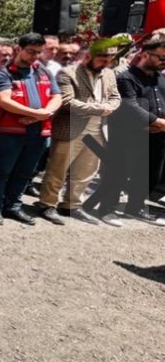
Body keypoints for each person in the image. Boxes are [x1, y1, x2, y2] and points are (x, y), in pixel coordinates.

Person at [37, 40, 120, 225]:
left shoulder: (109, 74)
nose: (105, 64)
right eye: (102, 59)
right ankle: (47, 204)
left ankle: (71, 205)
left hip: (98, 130)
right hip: (71, 128)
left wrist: (112, 106)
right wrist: (99, 109)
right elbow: (67, 101)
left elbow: (115, 96)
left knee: (86, 171)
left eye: (109, 60)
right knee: (58, 169)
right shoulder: (68, 73)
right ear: (88, 56)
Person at [84, 35, 165, 226]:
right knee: (118, 175)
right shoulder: (125, 78)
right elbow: (129, 105)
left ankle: (135, 208)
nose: (164, 61)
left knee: (149, 174)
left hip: (157, 135)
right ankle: (106, 209)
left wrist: (159, 125)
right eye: (161, 57)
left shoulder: (161, 79)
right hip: (128, 135)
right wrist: (157, 121)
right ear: (145, 55)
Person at [0, 33, 62, 225]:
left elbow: (57, 96)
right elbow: (4, 101)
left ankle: (13, 207)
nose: (35, 56)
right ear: (18, 49)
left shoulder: (43, 72)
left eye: (38, 52)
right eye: (30, 51)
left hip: (38, 131)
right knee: (1, 171)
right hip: (9, 132)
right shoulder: (4, 74)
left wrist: (44, 113)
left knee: (25, 172)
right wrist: (37, 113)